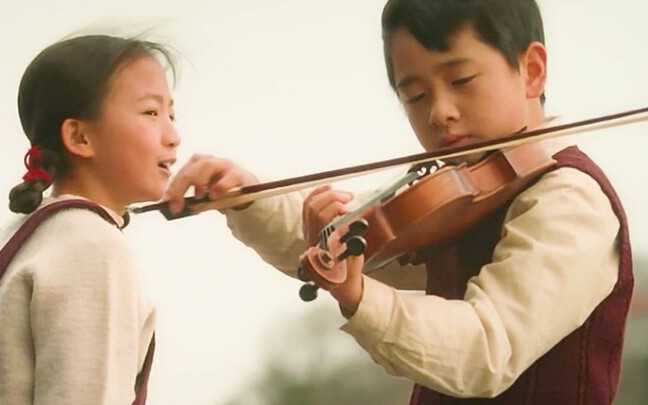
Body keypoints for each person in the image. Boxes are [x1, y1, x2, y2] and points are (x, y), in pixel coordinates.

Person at [165, 0, 632, 403]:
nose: (439, 112)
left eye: (463, 80)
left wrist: (360, 296)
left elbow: (487, 347)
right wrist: (249, 196)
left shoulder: (571, 200)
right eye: (415, 95)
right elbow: (354, 234)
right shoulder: (461, 187)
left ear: (531, 70)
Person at [0, 34, 180, 404]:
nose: (173, 136)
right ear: (79, 137)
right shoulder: (94, 248)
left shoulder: (14, 238)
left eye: (171, 115)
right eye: (151, 113)